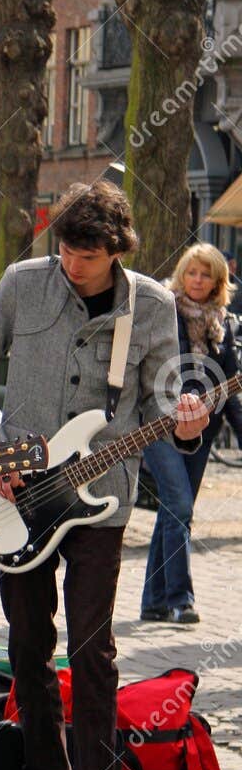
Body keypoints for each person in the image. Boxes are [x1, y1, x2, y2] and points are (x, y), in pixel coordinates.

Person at [0, 181, 207, 770]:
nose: (72, 264)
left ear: (117, 250)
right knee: (27, 640)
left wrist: (186, 422)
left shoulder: (151, 304)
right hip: (18, 492)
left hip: (102, 498)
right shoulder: (22, 282)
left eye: (87, 256)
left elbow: (161, 402)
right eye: (65, 250)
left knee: (93, 646)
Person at [137, 243, 235, 625]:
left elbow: (229, 387)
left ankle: (153, 602)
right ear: (182, 274)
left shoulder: (222, 323)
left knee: (174, 512)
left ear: (217, 282)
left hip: (202, 433)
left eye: (206, 274)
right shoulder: (165, 310)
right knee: (179, 506)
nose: (197, 280)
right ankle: (181, 599)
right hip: (159, 424)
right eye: (192, 272)